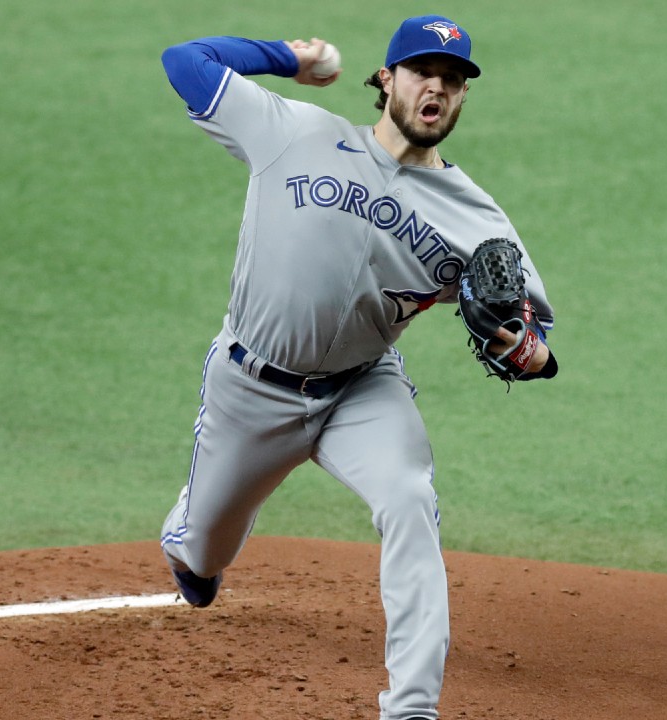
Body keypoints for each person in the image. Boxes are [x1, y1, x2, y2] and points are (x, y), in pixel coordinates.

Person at [158, 15, 558, 720]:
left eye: (454, 79)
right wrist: (287, 57)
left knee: (409, 499)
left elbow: (538, 348)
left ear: (462, 97)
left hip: (361, 390)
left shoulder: (478, 220)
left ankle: (411, 709)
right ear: (387, 79)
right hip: (251, 388)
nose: (437, 86)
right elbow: (184, 61)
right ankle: (191, 546)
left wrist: (515, 345)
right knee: (202, 556)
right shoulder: (297, 132)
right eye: (422, 72)